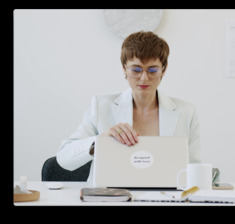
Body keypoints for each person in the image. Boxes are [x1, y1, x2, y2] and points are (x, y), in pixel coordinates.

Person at [57, 31, 201, 181]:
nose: (144, 78)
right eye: (136, 70)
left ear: (163, 70)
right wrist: (101, 141)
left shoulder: (186, 112)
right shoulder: (101, 106)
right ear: (124, 69)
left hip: (166, 195)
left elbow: (195, 166)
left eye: (152, 70)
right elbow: (64, 158)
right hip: (111, 197)